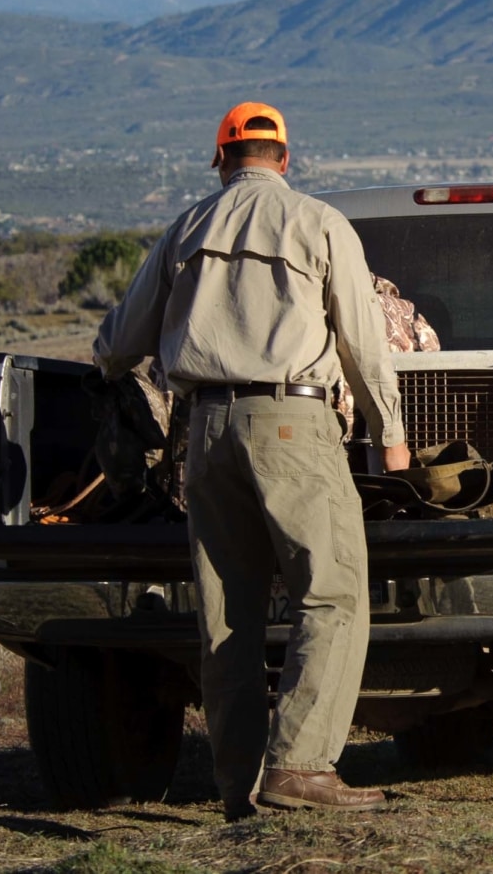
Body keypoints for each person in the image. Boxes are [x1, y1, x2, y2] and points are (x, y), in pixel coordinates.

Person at [93, 101, 409, 818]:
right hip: (292, 424)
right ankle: (299, 766)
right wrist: (391, 430)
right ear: (286, 160)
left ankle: (238, 783)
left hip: (204, 432)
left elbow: (117, 342)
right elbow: (362, 339)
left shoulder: (186, 229)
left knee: (227, 613)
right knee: (332, 594)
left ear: (221, 160)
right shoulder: (319, 222)